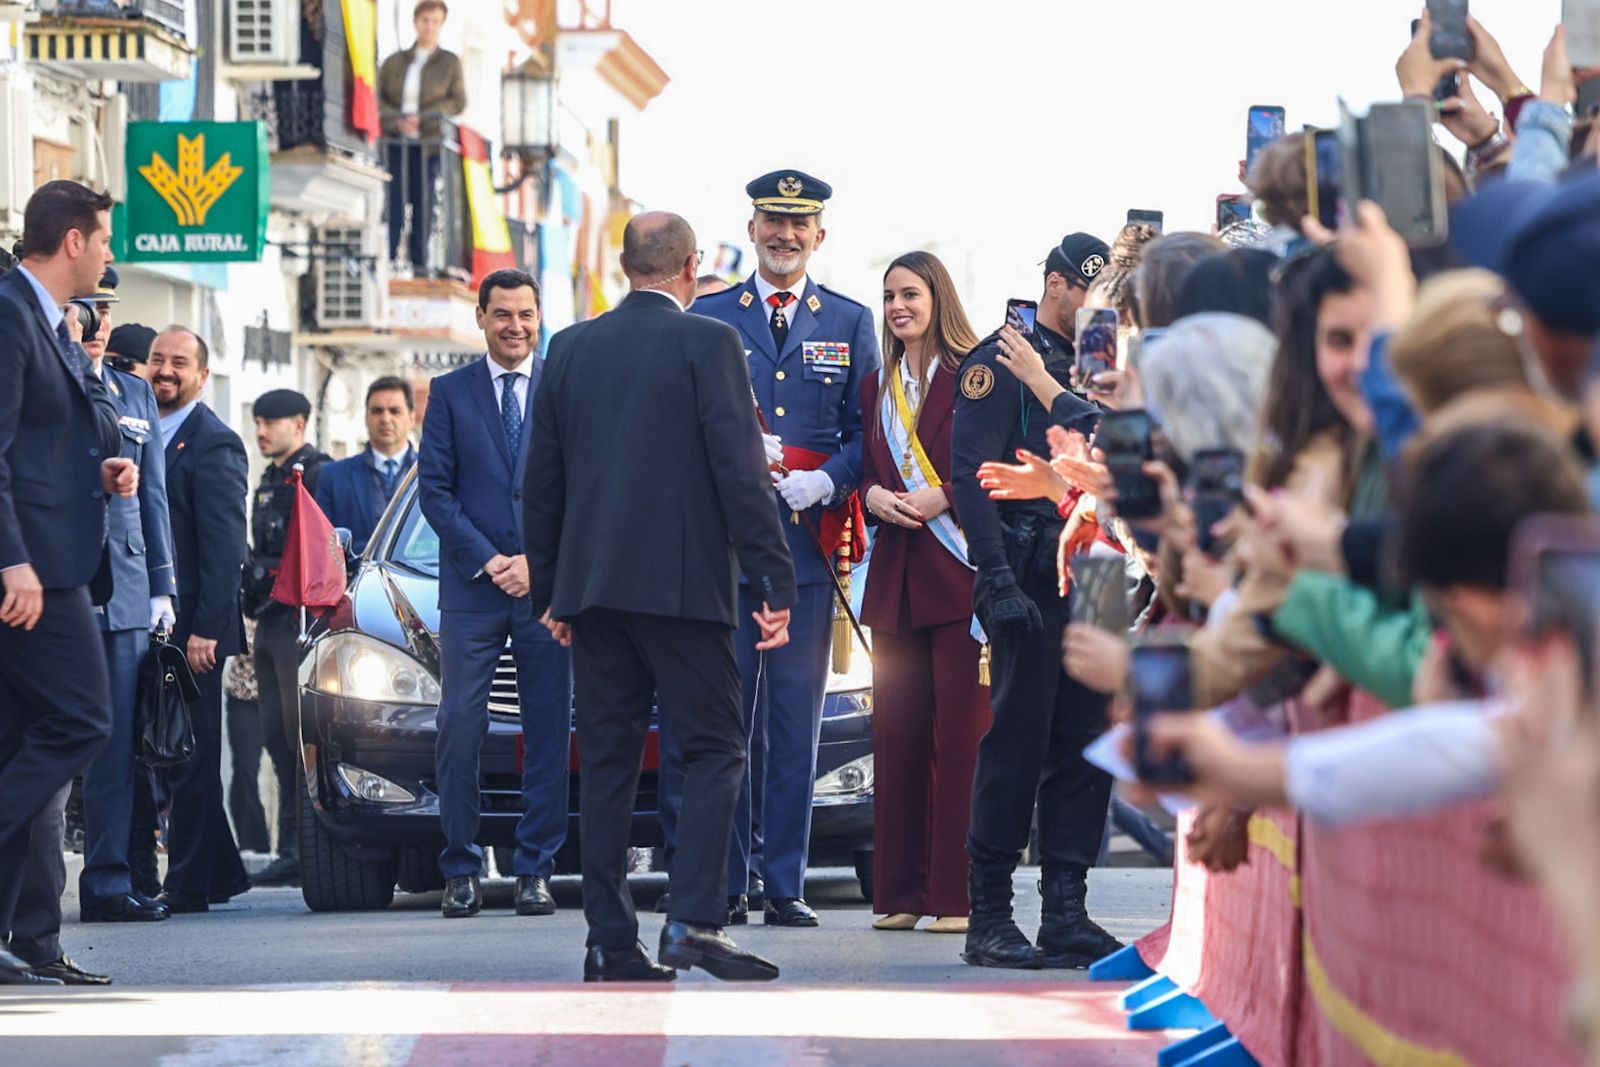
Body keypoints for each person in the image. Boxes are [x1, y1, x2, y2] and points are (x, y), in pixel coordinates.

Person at [524, 210, 795, 982]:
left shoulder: (570, 349)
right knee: (714, 748)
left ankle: (612, 938)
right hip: (682, 590)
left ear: (624, 266)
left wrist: (552, 594)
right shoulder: (709, 341)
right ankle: (693, 920)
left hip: (595, 592)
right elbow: (741, 472)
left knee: (607, 763)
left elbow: (540, 485)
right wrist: (773, 579)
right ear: (689, 267)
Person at [661, 169, 881, 929]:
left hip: (805, 554)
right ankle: (725, 881)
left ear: (819, 235)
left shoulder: (850, 321)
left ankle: (784, 879)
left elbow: (866, 434)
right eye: (772, 222)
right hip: (724, 553)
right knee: (726, 725)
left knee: (794, 723)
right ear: (751, 228)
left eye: (800, 225)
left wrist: (826, 485)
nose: (785, 235)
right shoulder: (712, 314)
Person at [950, 229, 1124, 971]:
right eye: (1084, 291)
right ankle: (988, 911)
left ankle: (1066, 910)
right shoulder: (1002, 356)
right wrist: (991, 577)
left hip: (1101, 566)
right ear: (1056, 284)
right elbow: (969, 473)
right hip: (1028, 564)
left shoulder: (1104, 362)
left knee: (1089, 739)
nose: (1093, 308)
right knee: (1019, 736)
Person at [0, 180, 139, 985]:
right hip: (33, 573)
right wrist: (10, 559)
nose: (112, 254)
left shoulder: (51, 322)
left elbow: (47, 442)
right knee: (84, 718)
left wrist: (107, 468)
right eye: (106, 240)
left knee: (22, 738)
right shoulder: (10, 314)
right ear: (74, 241)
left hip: (55, 559)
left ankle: (22, 938)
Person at [417, 268, 571, 920]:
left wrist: (538, 563)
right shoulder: (450, 392)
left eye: (526, 314)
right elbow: (435, 492)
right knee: (459, 723)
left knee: (548, 728)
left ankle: (536, 868)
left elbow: (581, 486)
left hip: (545, 591)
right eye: (502, 314)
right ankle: (460, 866)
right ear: (480, 317)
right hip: (473, 591)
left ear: (540, 318)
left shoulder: (564, 389)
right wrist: (489, 559)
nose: (515, 326)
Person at [858, 251, 989, 934]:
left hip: (959, 576)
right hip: (897, 582)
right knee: (898, 736)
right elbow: (866, 471)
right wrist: (874, 494)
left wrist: (947, 493)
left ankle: (955, 894)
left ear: (938, 296)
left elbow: (994, 467)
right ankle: (902, 892)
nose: (898, 307)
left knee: (960, 739)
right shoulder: (876, 386)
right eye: (888, 297)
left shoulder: (975, 377)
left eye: (909, 293)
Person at [72, 267, 177, 925]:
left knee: (115, 746)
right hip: (66, 584)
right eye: (89, 308)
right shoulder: (47, 377)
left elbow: (156, 495)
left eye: (107, 310)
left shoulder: (134, 392)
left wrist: (164, 584)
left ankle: (108, 880)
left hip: (130, 588)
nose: (100, 323)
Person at [146, 325, 252, 914]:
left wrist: (206, 630)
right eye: (158, 359)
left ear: (202, 375)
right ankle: (221, 872)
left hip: (194, 632)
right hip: (151, 624)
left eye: (178, 362)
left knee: (189, 755)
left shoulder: (214, 443)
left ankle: (187, 883)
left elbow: (223, 548)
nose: (165, 370)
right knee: (170, 749)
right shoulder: (138, 428)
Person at [243, 388, 332, 888]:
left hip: (301, 622)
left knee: (303, 739)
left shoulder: (316, 474)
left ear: (298, 424)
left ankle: (305, 845)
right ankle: (290, 843)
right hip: (270, 622)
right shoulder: (270, 478)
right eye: (257, 422)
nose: (261, 432)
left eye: (270, 423)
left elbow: (318, 551)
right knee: (277, 737)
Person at [378, 0, 466, 273]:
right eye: (425, 20)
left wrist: (425, 116)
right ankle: (390, 257)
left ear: (441, 25)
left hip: (428, 145)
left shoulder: (449, 62)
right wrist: (397, 120)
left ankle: (419, 262)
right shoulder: (395, 62)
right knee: (394, 200)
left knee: (422, 201)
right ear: (416, 22)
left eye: (435, 22)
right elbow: (378, 97)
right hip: (396, 141)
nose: (429, 27)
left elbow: (457, 102)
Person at [315, 376, 418, 554]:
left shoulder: (435, 473)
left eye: (395, 411)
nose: (386, 419)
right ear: (366, 417)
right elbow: (322, 544)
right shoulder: (334, 477)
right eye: (377, 411)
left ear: (412, 418)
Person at [223, 618, 271, 854]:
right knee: (244, 769)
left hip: (276, 696)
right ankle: (253, 842)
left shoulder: (283, 612)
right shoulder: (239, 602)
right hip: (242, 698)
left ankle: (285, 846)